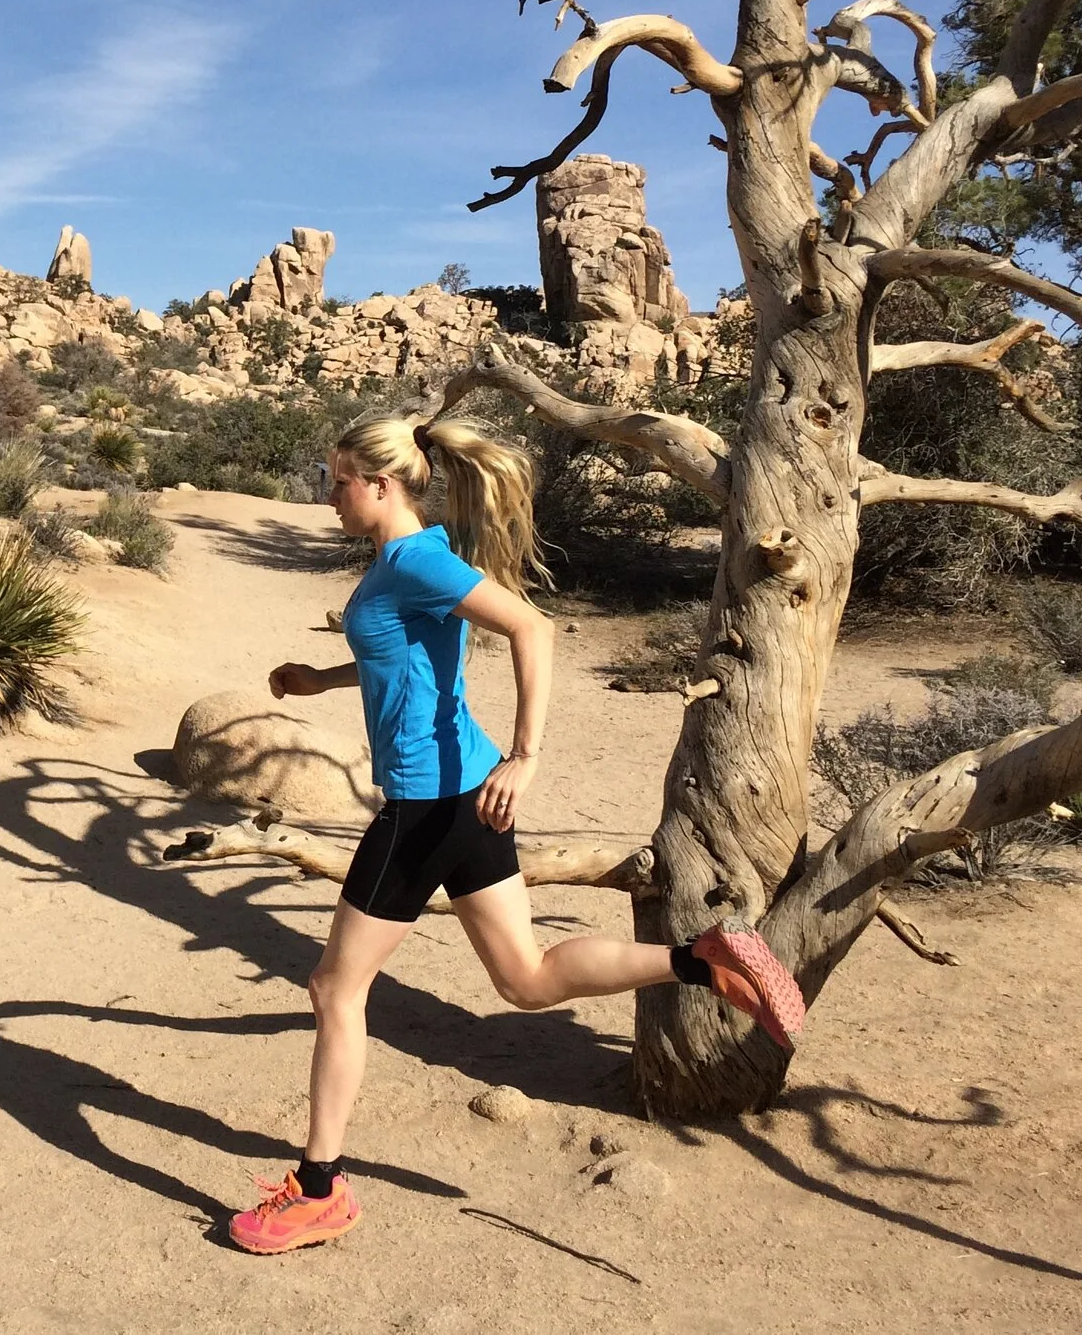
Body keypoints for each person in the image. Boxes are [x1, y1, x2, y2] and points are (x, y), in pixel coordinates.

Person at [226, 412, 805, 1257]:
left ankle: (319, 1189)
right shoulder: (406, 561)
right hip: (462, 798)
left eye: (339, 477)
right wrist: (325, 676)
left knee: (333, 989)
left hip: (425, 808)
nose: (331, 492)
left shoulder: (417, 558)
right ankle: (704, 959)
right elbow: (408, 653)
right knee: (527, 979)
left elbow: (534, 628)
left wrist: (528, 756)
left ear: (380, 484)